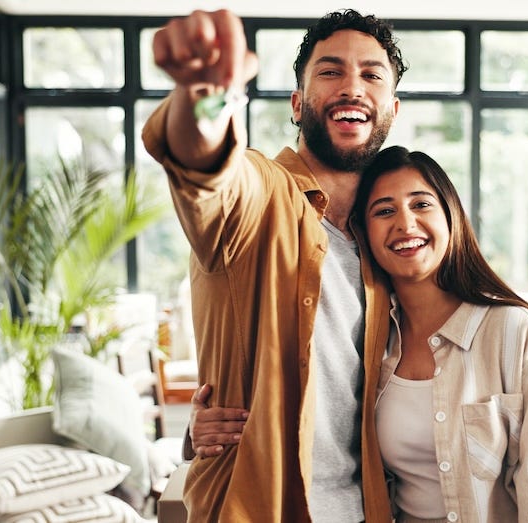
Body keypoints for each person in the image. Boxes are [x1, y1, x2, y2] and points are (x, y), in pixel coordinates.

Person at [143, 7, 407, 522]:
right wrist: (206, 93)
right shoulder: (260, 195)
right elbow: (205, 165)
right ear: (297, 103)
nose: (352, 87)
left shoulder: (384, 244)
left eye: (371, 75)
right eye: (330, 72)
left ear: (391, 109)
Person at [354, 145, 528, 522]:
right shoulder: (372, 343)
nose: (405, 224)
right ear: (364, 233)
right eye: (384, 211)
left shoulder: (515, 334)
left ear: (450, 216)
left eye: (421, 205)